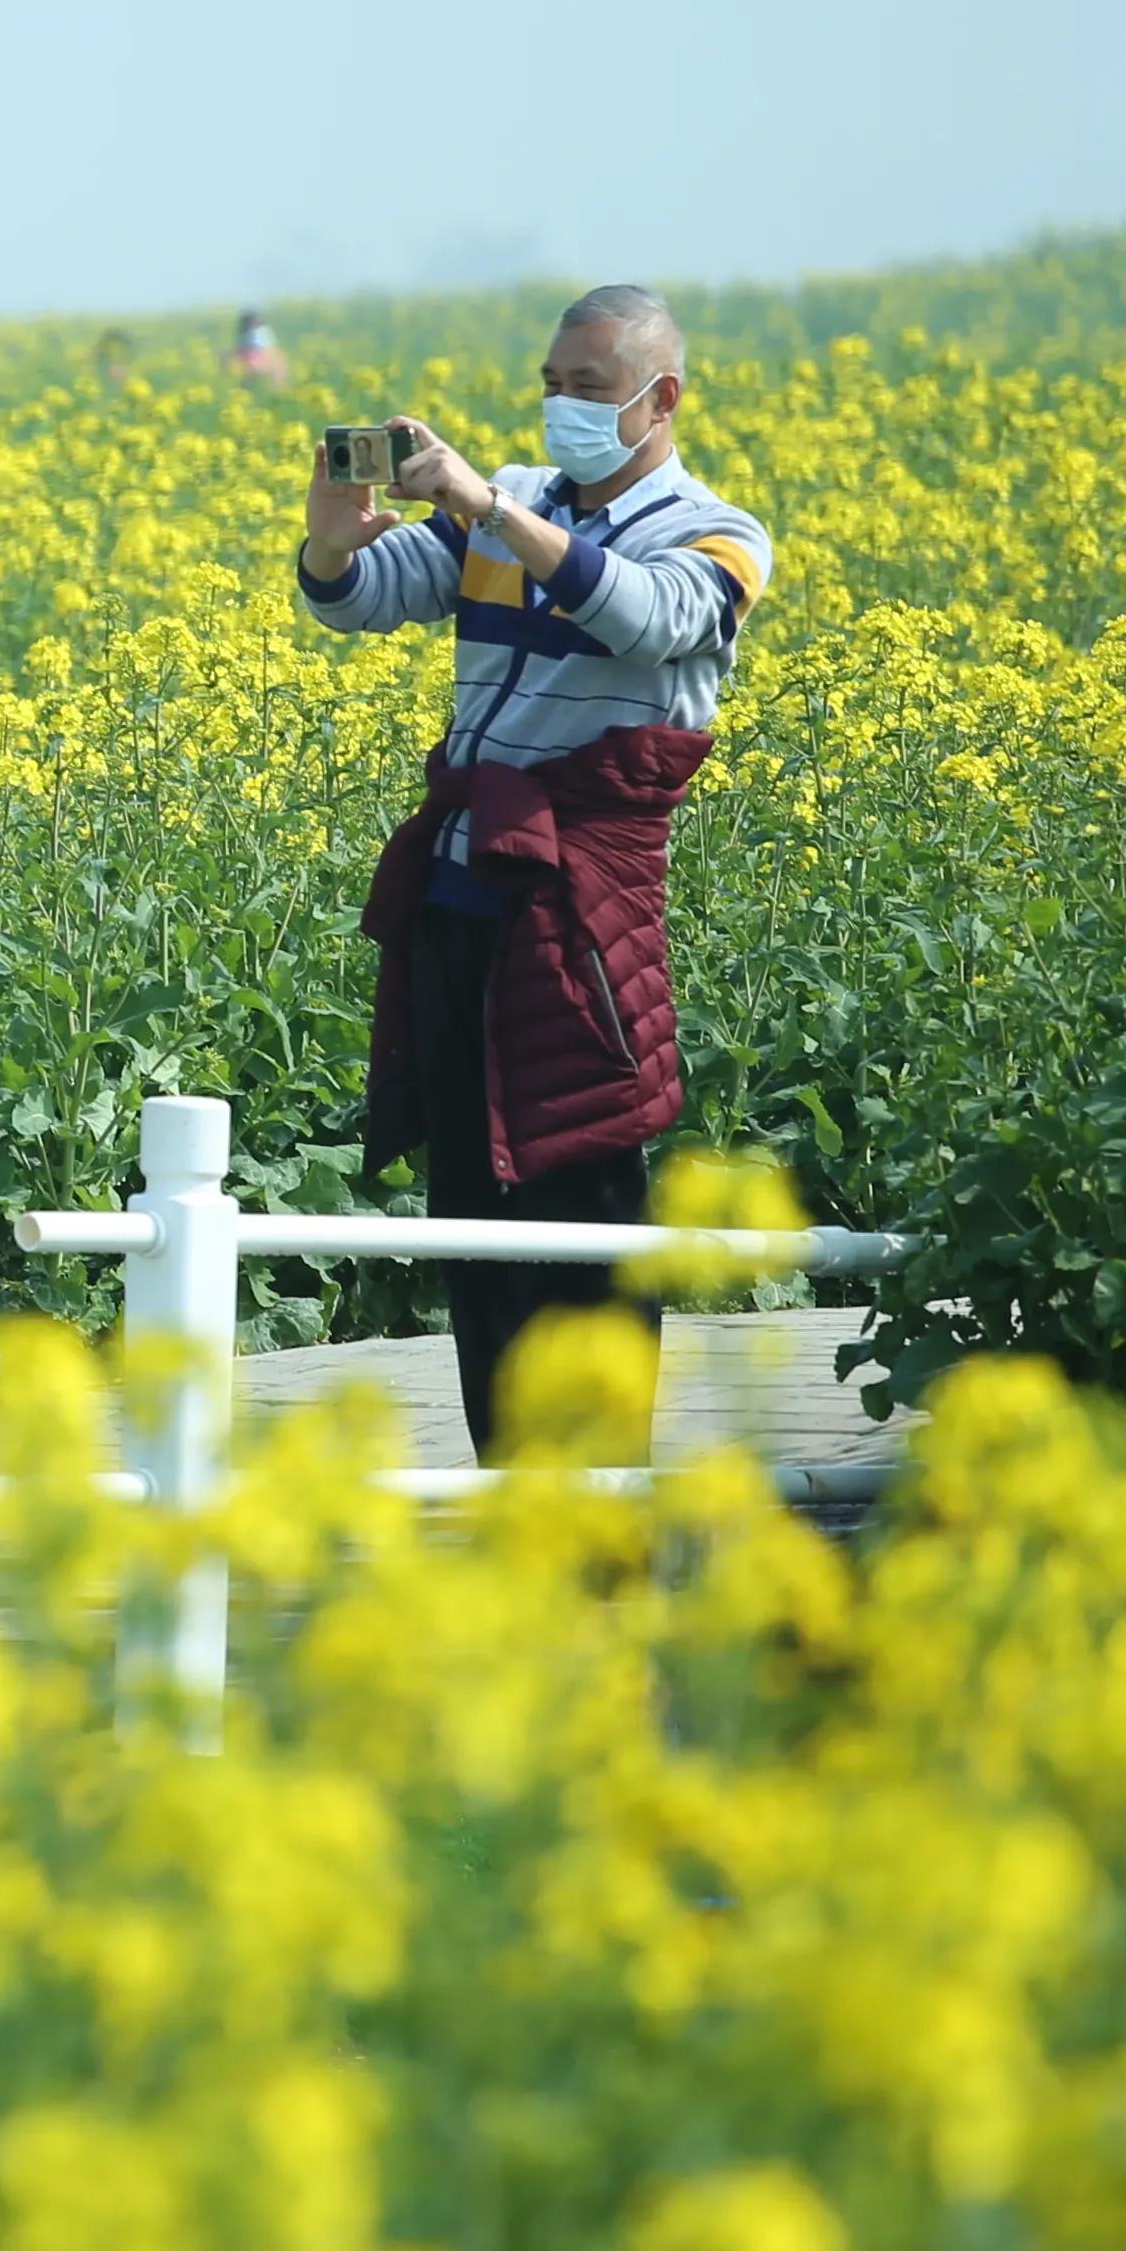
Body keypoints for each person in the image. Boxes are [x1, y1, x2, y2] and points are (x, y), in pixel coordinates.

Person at [297, 284, 774, 1439]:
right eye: (553, 385)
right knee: (472, 1204)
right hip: (461, 896)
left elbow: (655, 618)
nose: (562, 408)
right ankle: (507, 1491)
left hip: (580, 914)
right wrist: (330, 536)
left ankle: (598, 1515)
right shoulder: (505, 507)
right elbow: (365, 600)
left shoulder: (715, 533)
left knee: (578, 1193)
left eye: (590, 390)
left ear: (661, 401)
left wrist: (488, 511)